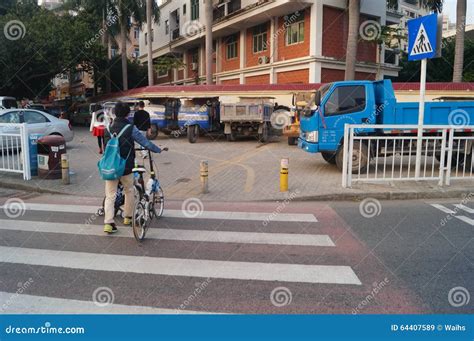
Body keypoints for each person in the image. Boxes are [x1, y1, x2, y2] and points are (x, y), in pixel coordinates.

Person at [102, 102, 167, 234]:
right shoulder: (130, 128)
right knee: (129, 190)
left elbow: (105, 148)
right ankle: (128, 217)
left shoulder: (107, 128)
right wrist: (158, 149)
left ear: (114, 113)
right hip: (126, 166)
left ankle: (108, 223)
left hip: (110, 167)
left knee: (110, 195)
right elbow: (145, 142)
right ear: (127, 114)